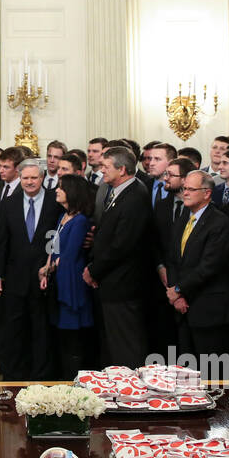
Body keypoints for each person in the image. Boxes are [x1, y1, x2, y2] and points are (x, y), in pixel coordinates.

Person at [0, 159, 62, 380]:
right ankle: (15, 376)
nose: (29, 182)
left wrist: (51, 267)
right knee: (15, 328)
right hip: (14, 278)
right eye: (25, 178)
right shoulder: (9, 202)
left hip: (44, 277)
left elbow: (56, 237)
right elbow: (1, 241)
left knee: (42, 329)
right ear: (19, 178)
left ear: (42, 178)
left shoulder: (54, 201)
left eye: (34, 177)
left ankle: (42, 375)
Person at [84, 146, 152, 368]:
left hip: (124, 283)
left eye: (106, 166)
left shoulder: (135, 196)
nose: (101, 170)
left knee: (126, 346)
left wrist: (94, 270)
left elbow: (121, 245)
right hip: (112, 281)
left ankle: (130, 393)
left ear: (122, 169)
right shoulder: (117, 191)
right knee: (113, 344)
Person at [163, 170, 229, 356]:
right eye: (184, 188)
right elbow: (172, 259)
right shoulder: (183, 218)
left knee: (212, 371)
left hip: (208, 307)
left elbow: (209, 266)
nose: (185, 193)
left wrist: (179, 289)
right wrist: (176, 294)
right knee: (187, 370)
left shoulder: (220, 223)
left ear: (207, 193)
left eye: (190, 189)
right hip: (182, 307)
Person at [41, 173, 95, 378]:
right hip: (58, 277)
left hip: (71, 283)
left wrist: (50, 268)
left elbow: (69, 256)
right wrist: (46, 268)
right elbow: (53, 246)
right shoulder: (62, 216)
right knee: (61, 336)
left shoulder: (80, 220)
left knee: (73, 338)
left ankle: (74, 378)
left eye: (61, 187)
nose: (57, 190)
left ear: (72, 192)